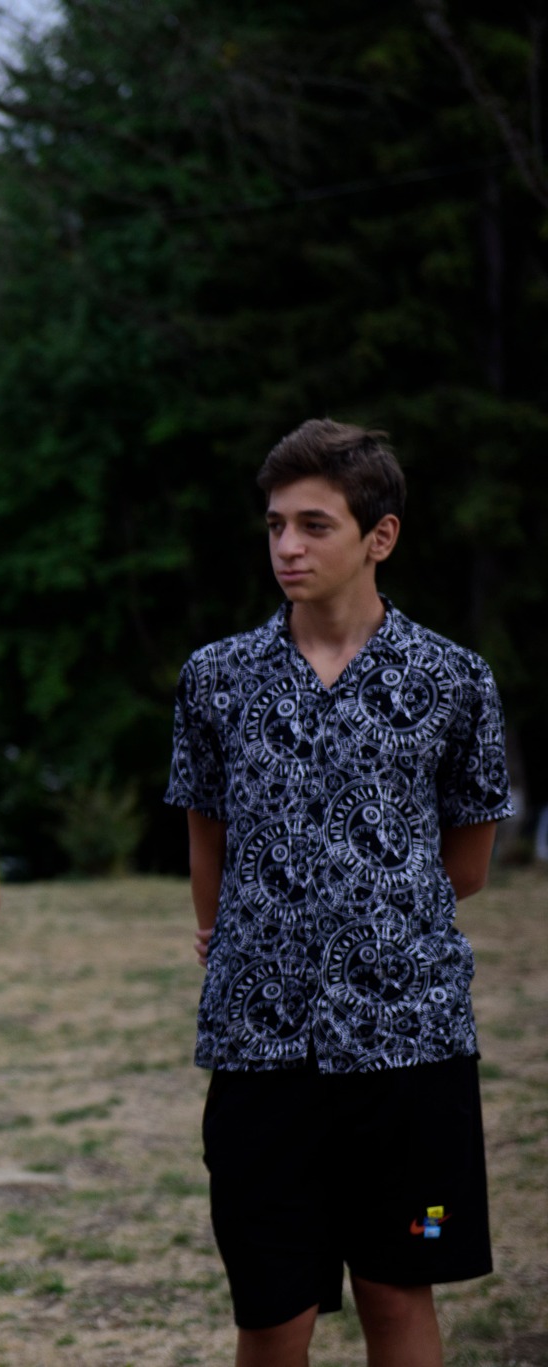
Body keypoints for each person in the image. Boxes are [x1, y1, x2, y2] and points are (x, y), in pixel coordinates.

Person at [165, 420, 511, 1367]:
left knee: (399, 1292)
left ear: (379, 536)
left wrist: (373, 921)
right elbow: (206, 837)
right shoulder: (216, 679)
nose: (288, 546)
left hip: (411, 1047)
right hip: (259, 1047)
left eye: (315, 525)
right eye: (276, 525)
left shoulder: (454, 680)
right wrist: (236, 934)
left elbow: (467, 862)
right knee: (272, 1308)